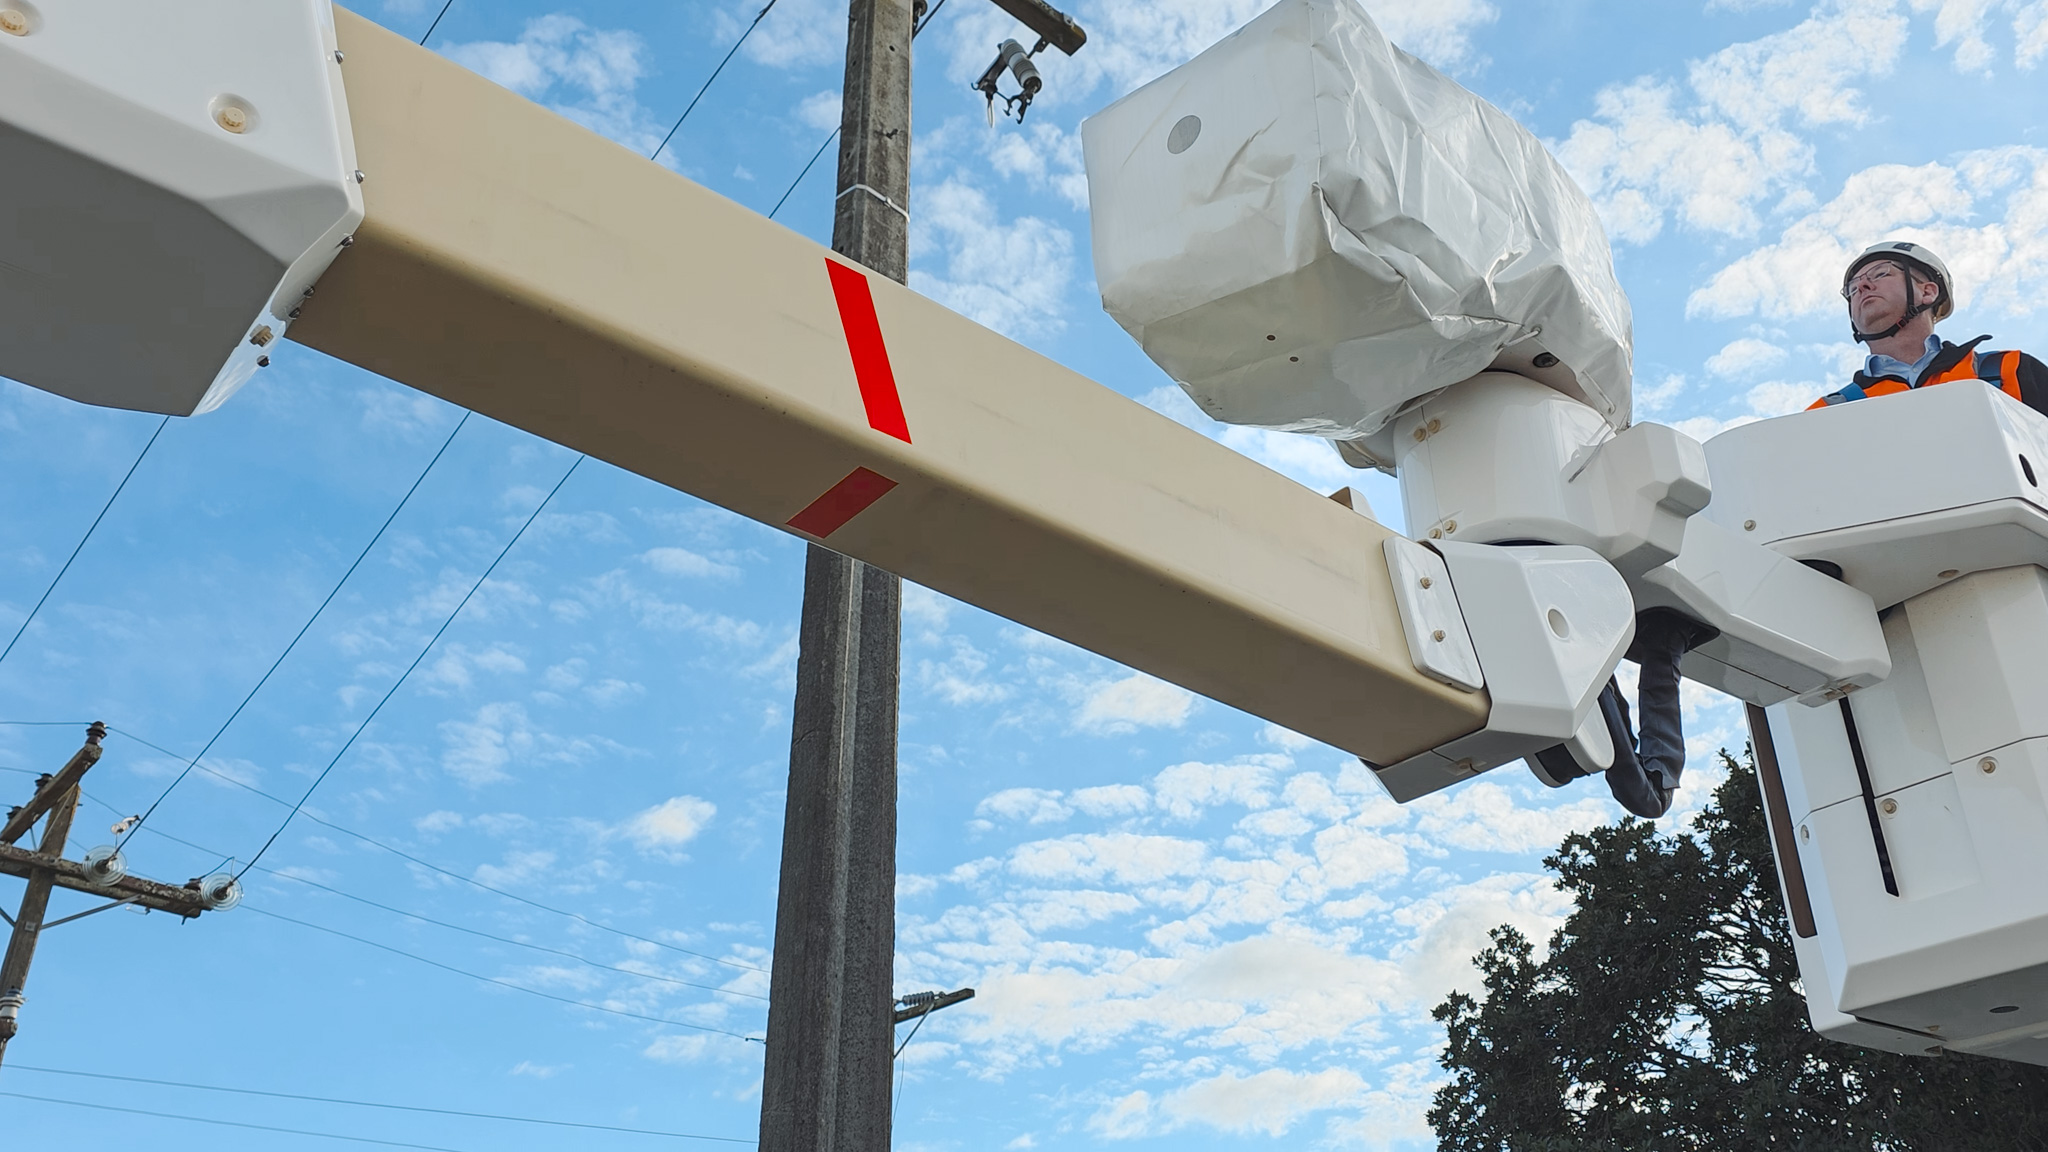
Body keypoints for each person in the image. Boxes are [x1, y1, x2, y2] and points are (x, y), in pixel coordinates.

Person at [1808, 241, 2048, 416]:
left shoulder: (2011, 369)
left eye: (1880, 273)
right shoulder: (1824, 412)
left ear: (1928, 292)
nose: (1862, 286)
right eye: (1852, 288)